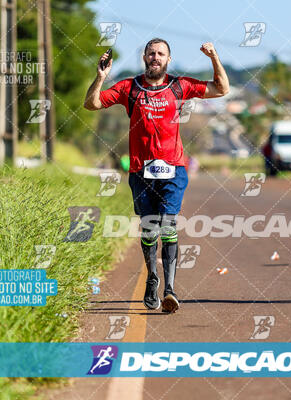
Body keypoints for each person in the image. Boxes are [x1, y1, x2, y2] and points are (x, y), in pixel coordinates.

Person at [84, 38, 229, 312]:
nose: (155, 57)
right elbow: (91, 104)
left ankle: (170, 290)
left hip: (173, 169)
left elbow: (222, 89)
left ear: (168, 60)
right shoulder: (129, 87)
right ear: (144, 57)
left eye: (161, 54)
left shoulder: (179, 86)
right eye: (151, 53)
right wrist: (100, 76)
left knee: (168, 225)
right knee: (149, 228)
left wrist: (214, 58)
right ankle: (152, 277)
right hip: (140, 171)